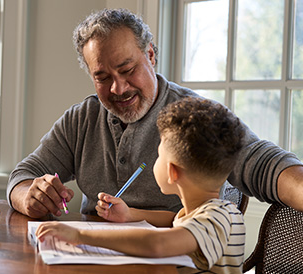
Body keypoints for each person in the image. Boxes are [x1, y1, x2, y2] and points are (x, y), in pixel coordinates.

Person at [8, 8, 303, 243]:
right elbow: (23, 174)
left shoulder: (195, 116)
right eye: (102, 76)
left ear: (150, 55)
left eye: (127, 70)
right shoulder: (82, 119)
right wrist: (28, 194)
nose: (118, 88)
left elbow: (263, 163)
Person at [36, 97, 247, 273]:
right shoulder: (201, 212)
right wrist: (130, 214)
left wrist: (79, 235)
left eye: (158, 155)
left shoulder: (219, 216)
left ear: (173, 172)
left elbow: (158, 244)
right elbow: (174, 220)